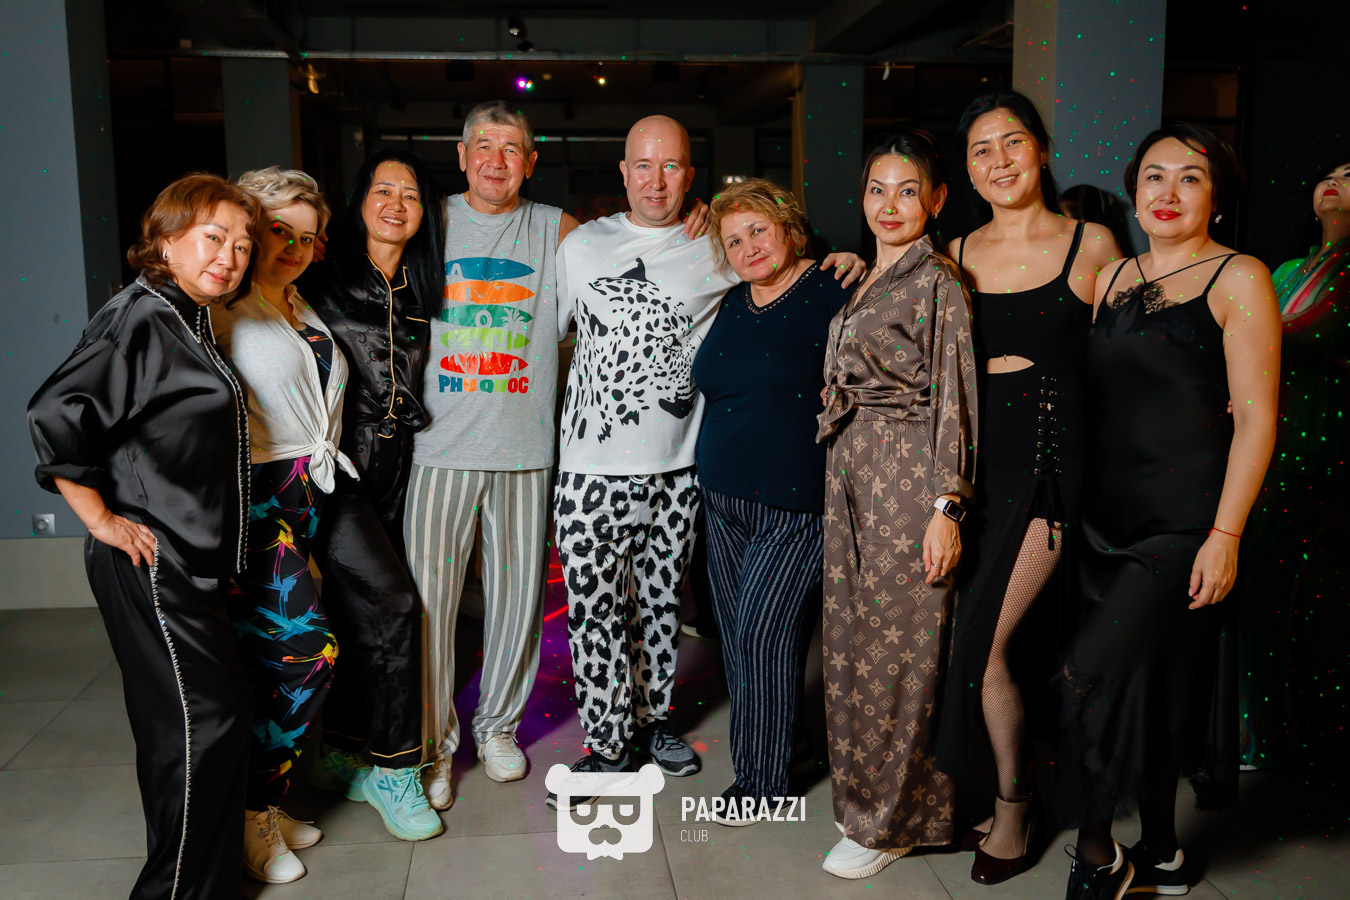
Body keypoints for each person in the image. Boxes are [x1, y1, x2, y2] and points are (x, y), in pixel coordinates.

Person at [1059, 123, 1278, 900]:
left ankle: (1098, 856)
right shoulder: (1113, 275)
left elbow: (1257, 418)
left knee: (1085, 675)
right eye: (1154, 175)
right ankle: (1162, 850)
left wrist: (1225, 534)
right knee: (1148, 686)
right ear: (1133, 188)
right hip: (1101, 521)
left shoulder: (1239, 276)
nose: (1168, 192)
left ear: (1217, 196)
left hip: (1182, 524)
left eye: (1190, 177)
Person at [27, 174, 259, 900]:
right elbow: (54, 412)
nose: (229, 256)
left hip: (192, 562)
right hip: (155, 561)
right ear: (166, 239)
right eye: (213, 237)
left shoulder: (185, 315)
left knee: (207, 724)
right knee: (198, 728)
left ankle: (206, 886)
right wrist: (100, 519)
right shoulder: (140, 316)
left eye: (242, 245)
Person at [934, 91, 1122, 886]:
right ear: (968, 170)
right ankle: (1000, 788)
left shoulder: (1091, 243)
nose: (999, 160)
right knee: (967, 645)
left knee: (984, 646)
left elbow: (1131, 352)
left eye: (1013, 142)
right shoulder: (953, 250)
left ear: (1041, 149)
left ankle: (1015, 807)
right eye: (981, 150)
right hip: (974, 479)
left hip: (1050, 475)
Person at [817, 133, 978, 879]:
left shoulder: (940, 281)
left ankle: (896, 820)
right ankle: (863, 799)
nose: (890, 204)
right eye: (877, 189)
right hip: (851, 470)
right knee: (852, 642)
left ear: (936, 200)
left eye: (907, 190)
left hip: (908, 473)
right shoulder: (869, 275)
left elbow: (957, 397)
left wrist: (948, 506)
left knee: (903, 651)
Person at [302, 149, 446, 841]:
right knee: (393, 603)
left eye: (410, 195)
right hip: (340, 471)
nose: (396, 204)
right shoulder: (319, 278)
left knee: (357, 609)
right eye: (383, 190)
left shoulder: (426, 288)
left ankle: (343, 749)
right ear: (359, 200)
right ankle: (395, 768)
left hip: (403, 467)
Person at [695, 179, 850, 822]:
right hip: (722, 499)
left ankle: (761, 784)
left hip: (795, 502)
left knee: (763, 639)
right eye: (734, 241)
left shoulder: (835, 287)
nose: (749, 247)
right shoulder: (733, 302)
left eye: (758, 229)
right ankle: (796, 747)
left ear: (788, 226)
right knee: (737, 643)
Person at [214, 167, 345, 882]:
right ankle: (248, 813)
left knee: (269, 665)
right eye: (278, 232)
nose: (293, 247)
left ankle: (263, 801)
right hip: (257, 500)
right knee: (305, 653)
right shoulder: (223, 307)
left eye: (307, 236)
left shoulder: (296, 302)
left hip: (306, 496)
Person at [1238, 159, 1350, 772]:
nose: (1335, 180)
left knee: (1279, 590)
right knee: (1254, 589)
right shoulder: (1285, 269)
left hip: (1316, 447)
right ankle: (1249, 731)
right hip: (1261, 443)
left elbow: (1303, 331)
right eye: (1330, 173)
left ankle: (1271, 735)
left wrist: (1229, 328)